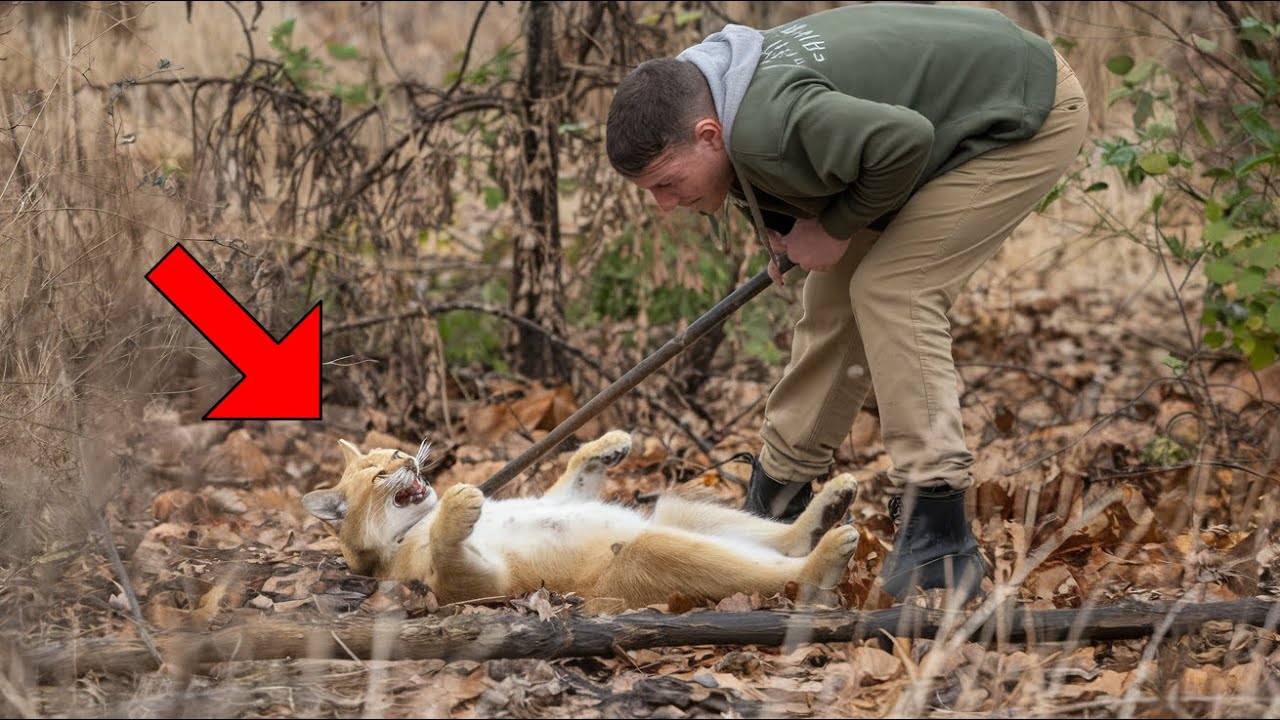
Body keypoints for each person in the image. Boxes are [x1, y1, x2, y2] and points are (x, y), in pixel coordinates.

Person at [605, 2, 1089, 602]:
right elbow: (809, 160)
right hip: (940, 110)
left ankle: (939, 533)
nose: (663, 205)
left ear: (708, 135)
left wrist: (834, 229)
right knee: (834, 301)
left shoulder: (765, 125)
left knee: (896, 288)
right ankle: (776, 508)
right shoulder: (709, 93)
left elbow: (904, 141)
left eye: (666, 183)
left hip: (1021, 106)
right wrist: (786, 228)